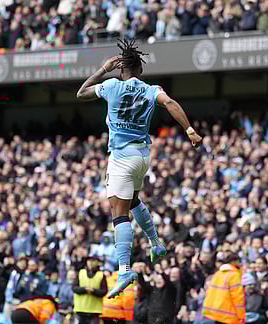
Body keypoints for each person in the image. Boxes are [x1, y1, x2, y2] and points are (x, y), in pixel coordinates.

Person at [76, 38, 202, 298]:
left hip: (121, 157)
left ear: (121, 70)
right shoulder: (151, 89)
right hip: (142, 156)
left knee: (119, 213)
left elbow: (81, 93)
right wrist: (190, 130)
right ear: (141, 70)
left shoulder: (111, 85)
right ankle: (155, 243)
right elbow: (171, 104)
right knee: (133, 201)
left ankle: (124, 270)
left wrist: (103, 69)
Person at [202, 252, 245, 324]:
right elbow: (238, 298)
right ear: (235, 262)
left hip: (216, 313)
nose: (241, 264)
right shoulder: (234, 275)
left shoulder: (218, 273)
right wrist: (241, 316)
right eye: (239, 261)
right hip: (229, 315)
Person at [73, 255, 108, 324]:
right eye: (89, 260)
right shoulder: (81, 272)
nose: (91, 262)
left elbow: (104, 291)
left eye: (93, 261)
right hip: (81, 309)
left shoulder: (101, 275)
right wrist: (84, 289)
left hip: (94, 311)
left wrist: (94, 291)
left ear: (98, 262)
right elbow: (74, 287)